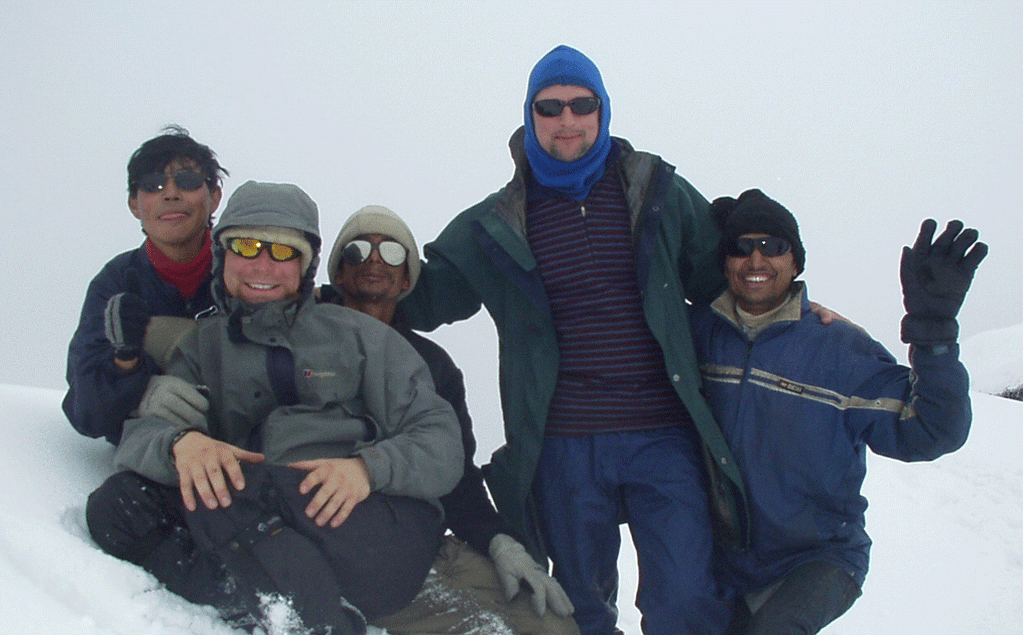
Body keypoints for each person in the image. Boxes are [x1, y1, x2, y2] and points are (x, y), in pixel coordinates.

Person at [397, 44, 747, 635]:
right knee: (578, 612)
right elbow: (423, 300)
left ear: (603, 111)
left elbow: (723, 279)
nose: (566, 120)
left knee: (687, 601)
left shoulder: (656, 191)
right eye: (549, 106)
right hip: (564, 443)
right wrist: (342, 283)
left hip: (662, 432)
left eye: (581, 104)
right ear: (529, 116)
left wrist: (782, 281)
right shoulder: (496, 223)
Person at [85, 181, 464, 634]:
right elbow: (143, 436)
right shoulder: (201, 347)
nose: (262, 264)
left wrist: (367, 469)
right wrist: (181, 445)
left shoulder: (363, 338)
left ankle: (296, 609)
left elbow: (440, 441)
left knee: (231, 490)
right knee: (117, 505)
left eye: (283, 252)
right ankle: (277, 601)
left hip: (368, 529)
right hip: (259, 522)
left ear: (305, 266)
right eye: (246, 246)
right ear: (223, 257)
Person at [689, 189, 986, 634]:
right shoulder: (696, 336)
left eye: (773, 246)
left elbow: (931, 430)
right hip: (724, 557)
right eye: (741, 246)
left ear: (796, 261)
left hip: (817, 557)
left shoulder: (842, 352)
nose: (756, 260)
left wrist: (935, 330)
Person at [319, 205, 578, 634]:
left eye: (394, 253)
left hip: (432, 543)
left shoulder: (433, 366)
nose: (376, 259)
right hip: (356, 545)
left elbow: (456, 475)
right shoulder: (305, 341)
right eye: (359, 249)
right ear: (339, 273)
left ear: (408, 280)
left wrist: (499, 541)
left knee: (552, 625)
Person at [64, 125, 227, 444]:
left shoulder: (250, 268)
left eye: (188, 180)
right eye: (153, 184)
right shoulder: (115, 283)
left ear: (215, 196)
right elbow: (85, 410)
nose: (170, 193)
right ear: (135, 205)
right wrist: (138, 390)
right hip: (156, 453)